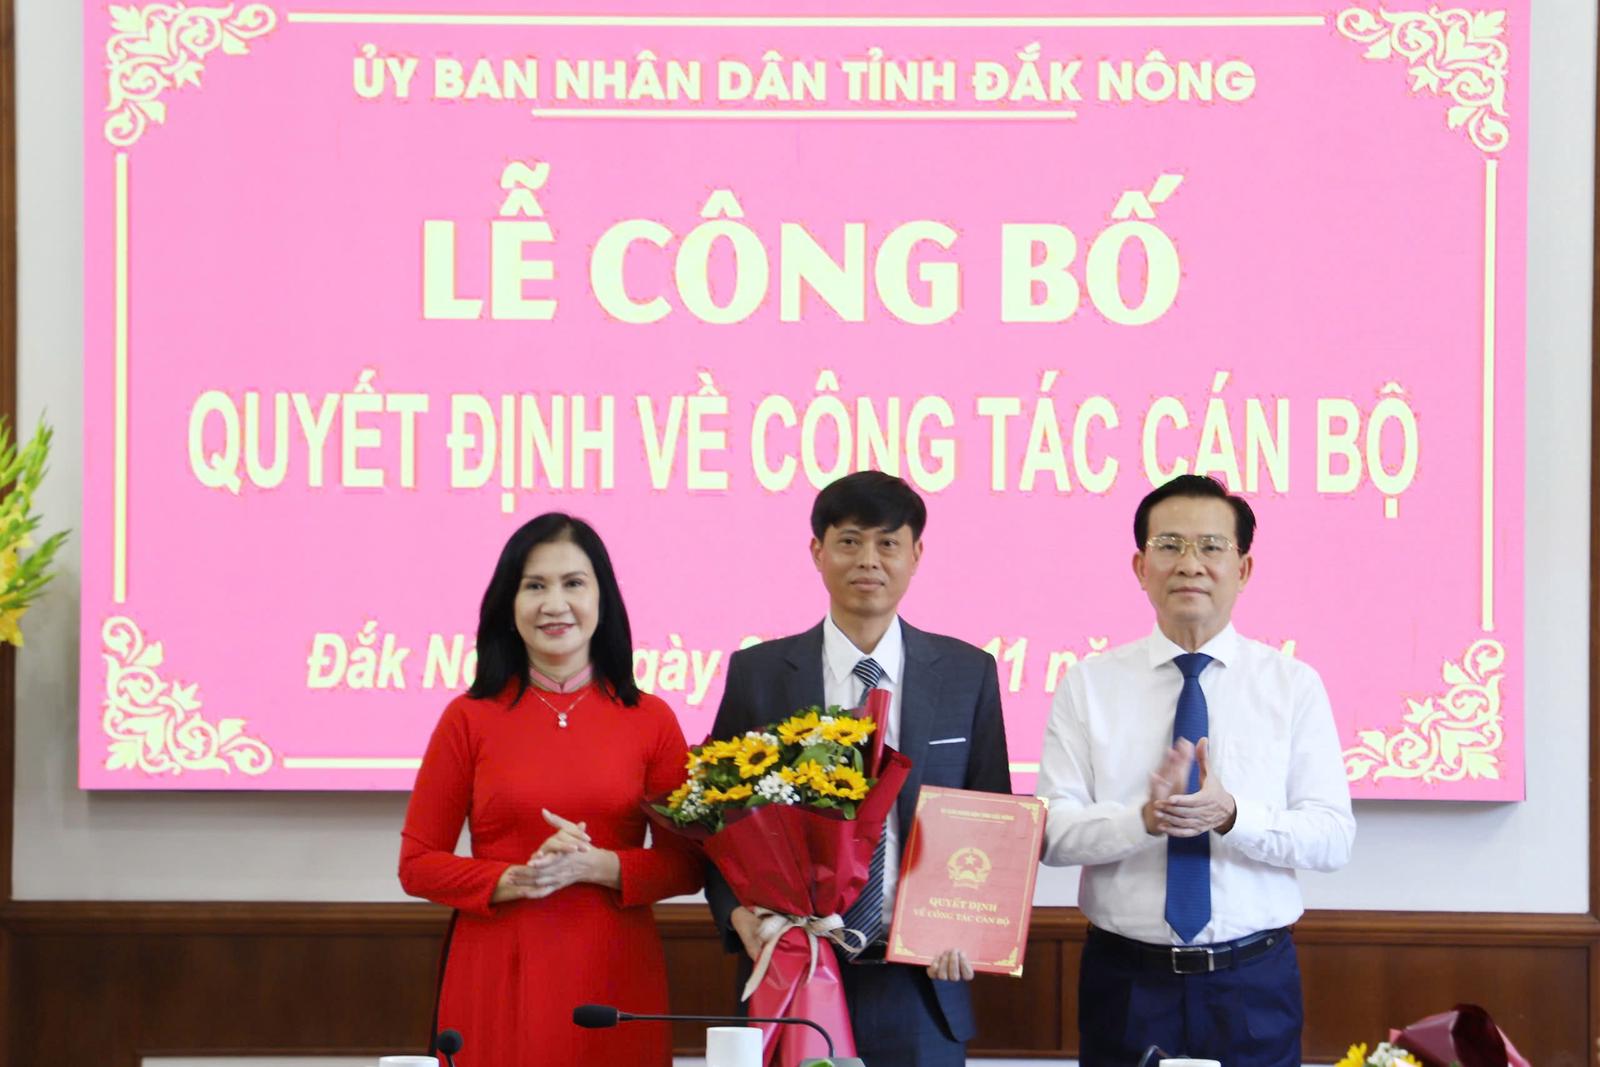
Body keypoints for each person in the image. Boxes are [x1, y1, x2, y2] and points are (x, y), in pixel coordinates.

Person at [1036, 475, 1355, 1067]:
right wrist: (1143, 820)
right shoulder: (1089, 684)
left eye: (1211, 546)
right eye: (1169, 545)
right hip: (1126, 982)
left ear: (1244, 568)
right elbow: (1051, 835)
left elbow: (1332, 838)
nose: (1190, 564)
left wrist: (1233, 815)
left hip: (1252, 981)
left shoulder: (1292, 685)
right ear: (1140, 566)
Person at [706, 471, 1012, 1067]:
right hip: (796, 969)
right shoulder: (759, 674)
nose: (868, 560)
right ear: (817, 551)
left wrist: (973, 930)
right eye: (849, 541)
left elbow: (993, 814)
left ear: (916, 555)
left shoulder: (967, 673)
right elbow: (719, 816)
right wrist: (734, 913)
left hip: (922, 982)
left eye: (887, 543)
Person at [399, 513, 702, 1067]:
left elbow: (687, 865)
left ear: (602, 600)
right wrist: (518, 878)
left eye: (573, 583)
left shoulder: (651, 719)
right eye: (535, 586)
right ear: (509, 604)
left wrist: (595, 866)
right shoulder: (468, 718)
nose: (554, 604)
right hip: (498, 963)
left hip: (614, 967)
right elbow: (416, 865)